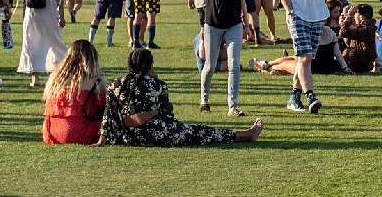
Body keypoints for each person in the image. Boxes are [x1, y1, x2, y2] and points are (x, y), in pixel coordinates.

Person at [97, 48, 264, 146]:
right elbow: (167, 116)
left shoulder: (116, 84)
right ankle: (245, 135)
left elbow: (109, 114)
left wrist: (102, 139)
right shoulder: (157, 84)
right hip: (159, 133)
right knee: (202, 132)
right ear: (150, 64)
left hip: (130, 138)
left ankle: (245, 135)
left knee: (199, 132)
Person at [195, 0, 251, 115]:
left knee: (234, 64)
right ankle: (204, 100)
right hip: (213, 23)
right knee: (210, 65)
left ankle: (232, 106)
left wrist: (246, 23)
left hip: (234, 23)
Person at [42, 40, 108, 145]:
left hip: (54, 132)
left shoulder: (56, 78)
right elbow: (106, 106)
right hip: (84, 132)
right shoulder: (95, 79)